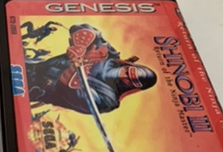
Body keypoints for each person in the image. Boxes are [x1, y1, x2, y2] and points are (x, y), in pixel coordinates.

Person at [26, 23, 156, 115]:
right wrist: (81, 47)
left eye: (130, 80)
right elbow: (85, 30)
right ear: (128, 66)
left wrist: (82, 63)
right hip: (34, 67)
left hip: (36, 88)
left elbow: (73, 92)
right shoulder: (109, 55)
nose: (123, 76)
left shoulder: (108, 99)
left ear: (134, 87)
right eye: (127, 72)